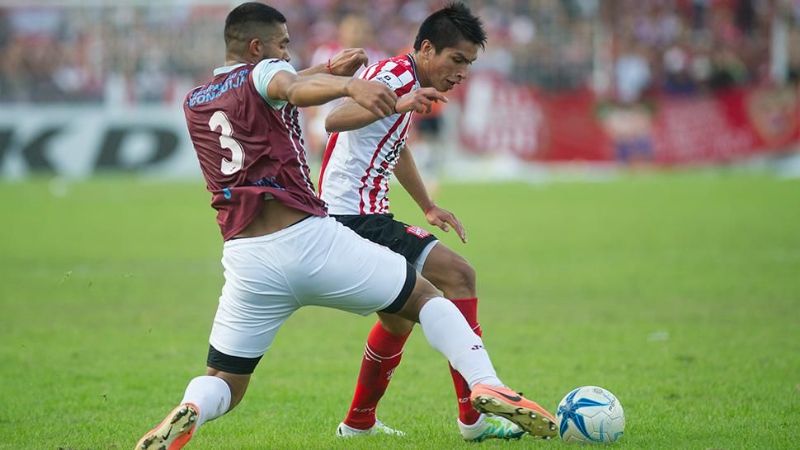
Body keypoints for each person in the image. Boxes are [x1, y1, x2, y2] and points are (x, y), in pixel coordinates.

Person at [135, 3, 556, 449]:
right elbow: (292, 87)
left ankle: (196, 406)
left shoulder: (196, 99)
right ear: (257, 48)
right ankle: (484, 386)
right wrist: (352, 85)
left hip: (247, 259)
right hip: (310, 238)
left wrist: (329, 71)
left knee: (225, 381)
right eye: (282, 45)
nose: (287, 54)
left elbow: (278, 87)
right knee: (430, 295)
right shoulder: (275, 74)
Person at [318, 2, 556, 442]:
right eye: (457, 59)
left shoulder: (406, 79)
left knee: (397, 321)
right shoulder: (396, 78)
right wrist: (401, 101)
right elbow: (334, 118)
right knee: (459, 275)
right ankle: (473, 418)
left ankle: (357, 424)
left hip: (361, 213)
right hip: (353, 216)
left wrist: (427, 205)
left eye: (469, 63)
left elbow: (395, 147)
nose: (462, 72)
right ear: (427, 49)